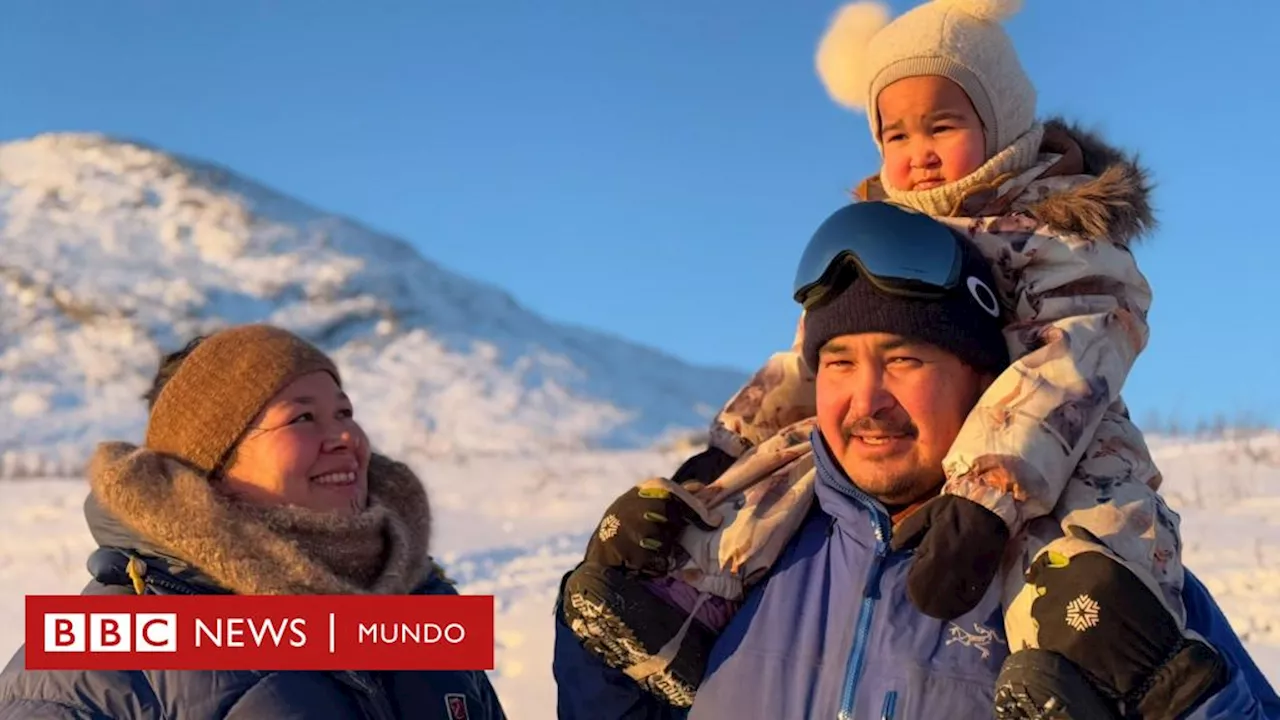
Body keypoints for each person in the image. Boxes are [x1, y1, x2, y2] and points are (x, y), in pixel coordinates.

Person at [561, 0, 1228, 716]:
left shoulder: (1059, 232)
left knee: (1099, 517)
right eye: (895, 135)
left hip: (1053, 430)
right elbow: (804, 369)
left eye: (943, 126)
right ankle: (686, 603)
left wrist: (986, 497)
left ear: (1000, 121)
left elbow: (1064, 365)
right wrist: (725, 458)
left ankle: (1076, 664)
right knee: (783, 472)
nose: (920, 153)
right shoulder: (874, 238)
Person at [554, 202, 1280, 718]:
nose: (865, 401)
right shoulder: (731, 562)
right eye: (837, 363)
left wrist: (1181, 699)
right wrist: (595, 618)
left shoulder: (1090, 581)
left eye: (904, 360)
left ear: (982, 378)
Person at [0, 324, 507, 719]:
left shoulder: (416, 602)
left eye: (344, 411)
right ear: (213, 464)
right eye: (303, 418)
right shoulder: (93, 662)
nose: (347, 437)